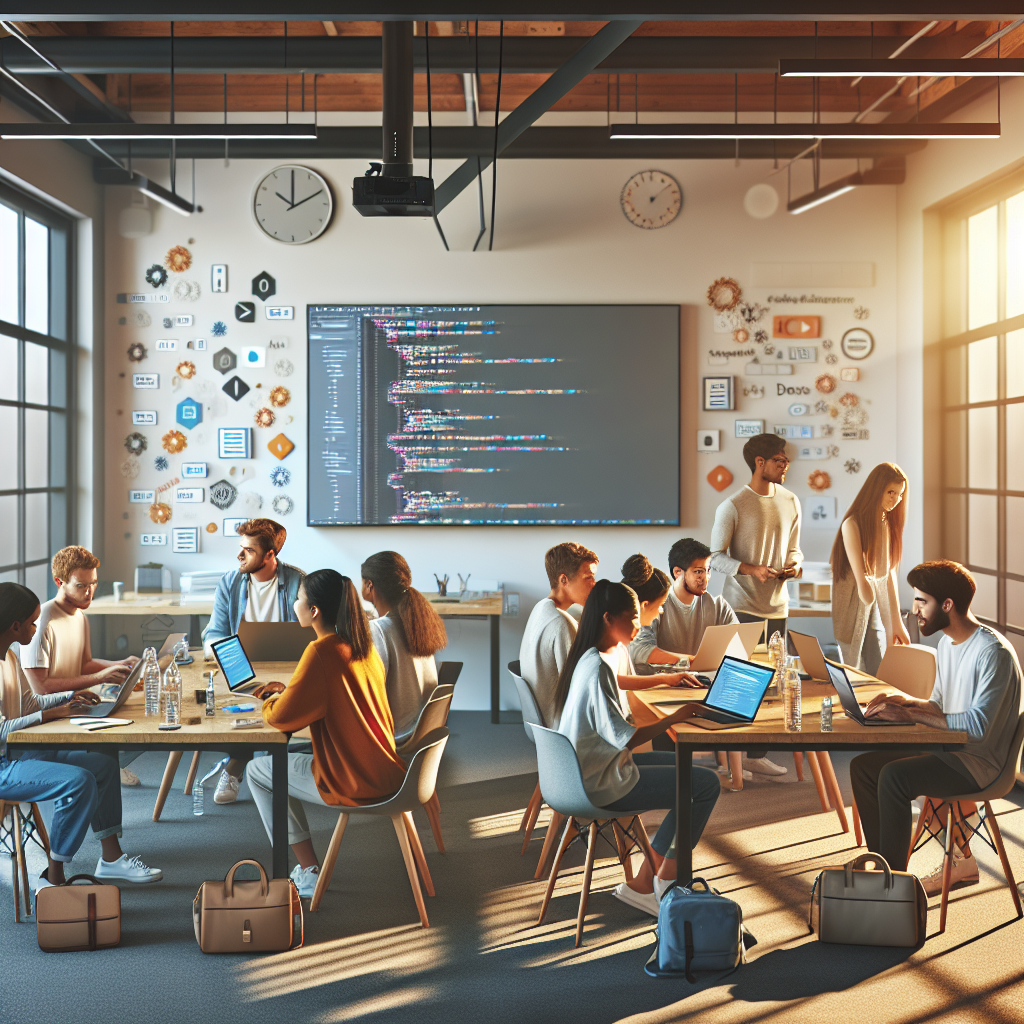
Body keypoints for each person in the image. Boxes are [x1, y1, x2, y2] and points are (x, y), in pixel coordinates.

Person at [850, 560, 1023, 895]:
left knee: (895, 777)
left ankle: (892, 888)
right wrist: (902, 701)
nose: (915, 610)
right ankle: (882, 867)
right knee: (864, 768)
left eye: (921, 601)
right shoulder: (947, 643)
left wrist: (911, 717)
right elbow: (939, 707)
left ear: (947, 605)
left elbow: (977, 727)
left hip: (979, 764)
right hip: (949, 750)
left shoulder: (992, 652)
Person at [554, 580, 721, 919]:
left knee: (688, 771)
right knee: (705, 785)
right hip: (601, 782)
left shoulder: (589, 658)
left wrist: (665, 682)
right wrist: (679, 715)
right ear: (607, 618)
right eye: (631, 617)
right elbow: (625, 738)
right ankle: (666, 881)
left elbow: (617, 713)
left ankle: (645, 883)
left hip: (586, 771)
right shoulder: (599, 666)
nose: (639, 624)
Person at [247, 570, 407, 898]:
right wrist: (291, 693)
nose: (294, 604)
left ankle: (309, 870)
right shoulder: (361, 645)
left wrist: (268, 699)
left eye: (298, 599)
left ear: (314, 610)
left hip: (354, 779)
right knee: (285, 761)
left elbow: (280, 718)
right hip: (388, 770)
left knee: (258, 770)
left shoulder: (321, 651)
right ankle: (307, 867)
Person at [2, 583, 162, 886]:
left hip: (20, 753)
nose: (36, 628)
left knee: (101, 762)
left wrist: (71, 697)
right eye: (33, 622)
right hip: (4, 765)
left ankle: (112, 860)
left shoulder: (10, 658)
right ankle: (54, 876)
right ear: (15, 626)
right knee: (79, 780)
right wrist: (51, 714)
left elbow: (30, 704)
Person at [201, 518, 305, 804]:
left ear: (270, 555)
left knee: (277, 701)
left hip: (287, 671)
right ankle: (237, 768)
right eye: (240, 548)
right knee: (242, 698)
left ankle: (257, 769)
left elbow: (310, 632)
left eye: (248, 550)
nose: (239, 555)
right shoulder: (230, 582)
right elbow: (214, 631)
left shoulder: (298, 582)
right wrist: (220, 650)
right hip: (240, 670)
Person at [18, 546, 141, 787]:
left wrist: (120, 664)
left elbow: (84, 664)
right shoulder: (41, 622)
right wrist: (99, 678)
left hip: (75, 703)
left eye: (93, 583)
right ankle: (104, 766)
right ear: (59, 581)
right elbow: (40, 687)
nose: (89, 592)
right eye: (81, 586)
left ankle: (107, 785)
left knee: (132, 716)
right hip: (50, 716)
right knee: (118, 736)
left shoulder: (79, 616)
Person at [710, 432, 802, 644]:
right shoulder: (731, 506)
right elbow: (714, 558)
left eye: (786, 460)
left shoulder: (791, 501)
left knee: (776, 672)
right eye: (779, 460)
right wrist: (752, 570)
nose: (785, 465)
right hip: (741, 607)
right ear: (760, 462)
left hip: (779, 608)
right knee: (745, 673)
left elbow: (794, 549)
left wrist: (794, 566)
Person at [830, 462, 912, 674]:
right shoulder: (852, 524)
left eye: (900, 494)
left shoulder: (884, 522)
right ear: (876, 490)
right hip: (853, 608)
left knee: (876, 668)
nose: (895, 499)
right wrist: (888, 622)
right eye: (890, 492)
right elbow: (866, 584)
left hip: (870, 608)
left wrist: (895, 623)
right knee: (861, 669)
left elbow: (886, 575)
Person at [361, 551, 447, 745]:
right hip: (422, 726)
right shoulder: (418, 621)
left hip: (396, 733)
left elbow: (371, 686)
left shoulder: (379, 629)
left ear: (369, 585)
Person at [519, 542, 599, 729]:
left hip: (542, 724)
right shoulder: (562, 623)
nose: (594, 585)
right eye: (589, 578)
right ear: (564, 580)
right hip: (562, 726)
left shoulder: (541, 608)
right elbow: (581, 687)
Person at [630, 538, 739, 672]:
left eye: (708, 570)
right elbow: (640, 651)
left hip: (704, 683)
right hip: (664, 687)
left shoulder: (719, 606)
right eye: (698, 571)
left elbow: (739, 646)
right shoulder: (656, 606)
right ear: (678, 572)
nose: (706, 578)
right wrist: (689, 661)